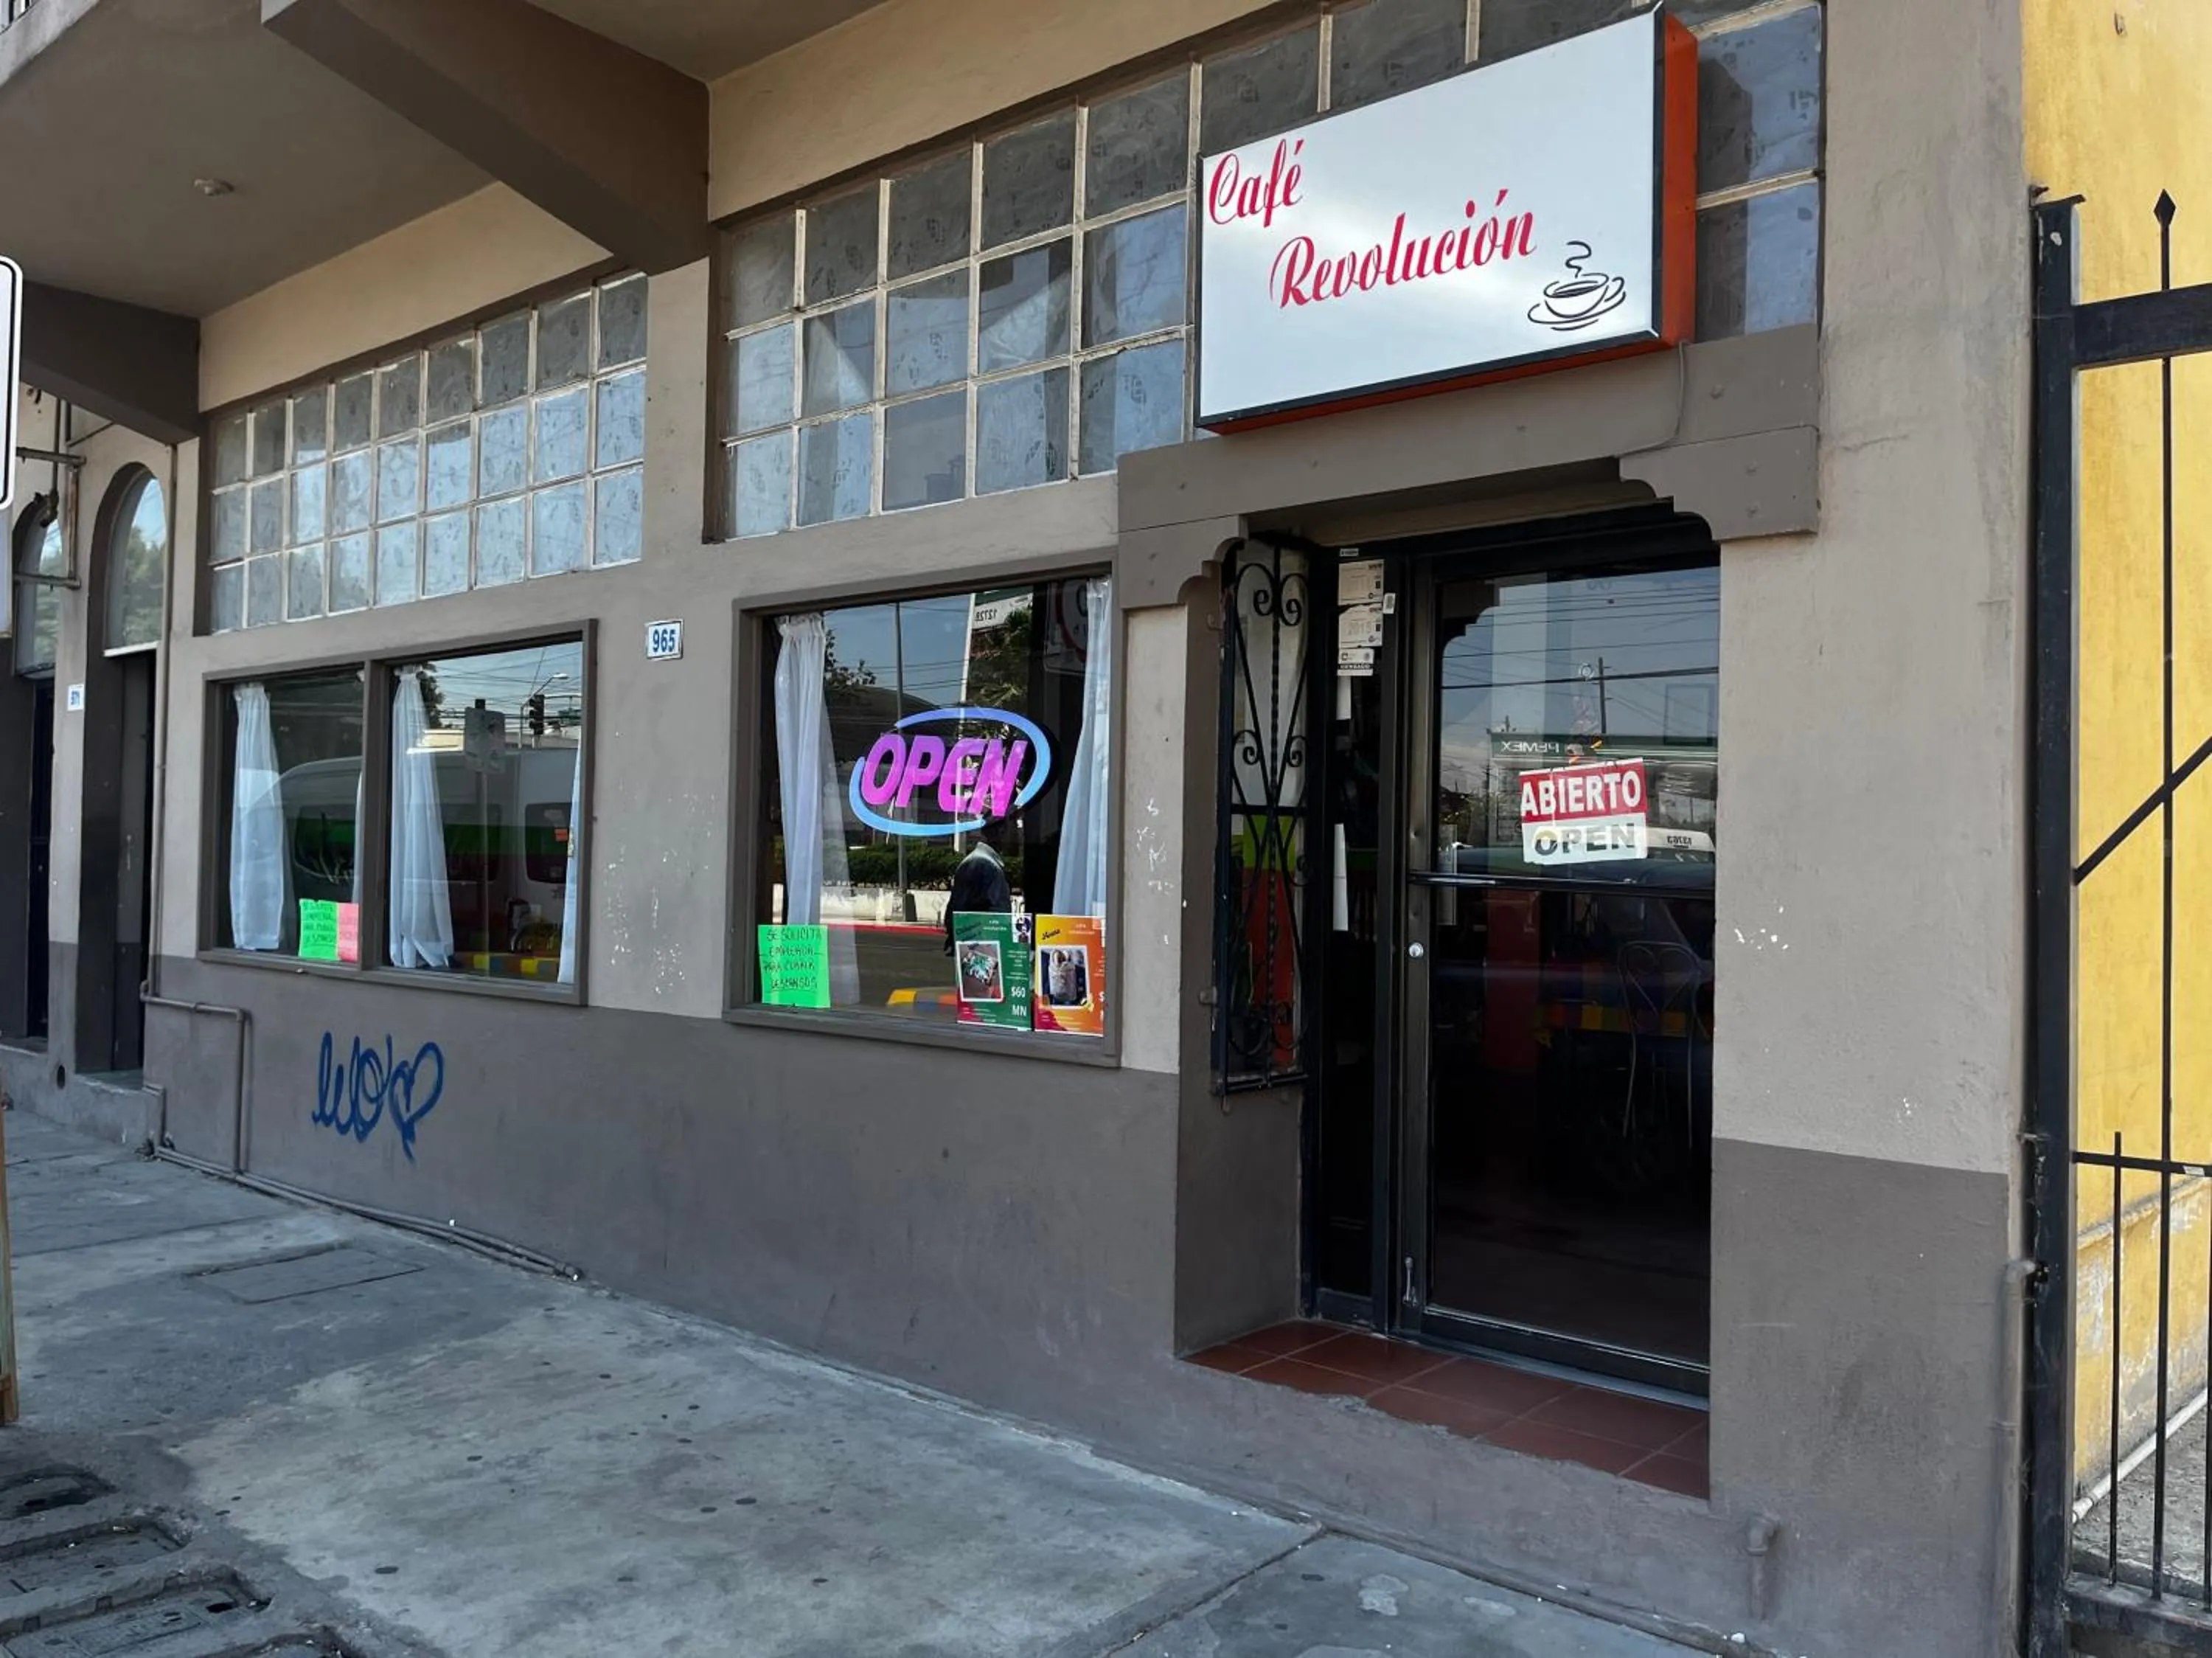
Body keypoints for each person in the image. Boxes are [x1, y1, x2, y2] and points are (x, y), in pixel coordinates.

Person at [943, 818, 1012, 955]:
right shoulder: (982, 864)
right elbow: (963, 908)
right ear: (1000, 832)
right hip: (983, 949)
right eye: (1013, 829)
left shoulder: (984, 863)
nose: (1016, 833)